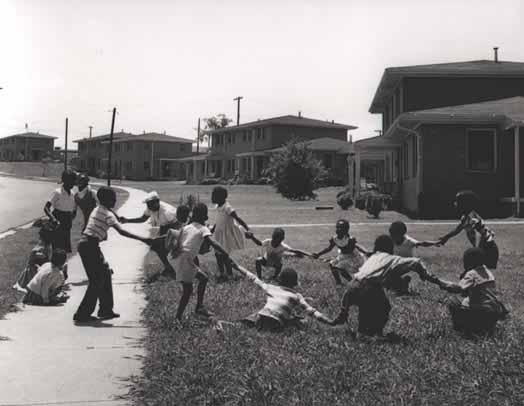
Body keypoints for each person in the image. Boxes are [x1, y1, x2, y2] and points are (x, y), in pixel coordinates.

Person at [332, 235, 440, 337]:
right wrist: (431, 278)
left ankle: (362, 331)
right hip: (367, 288)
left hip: (351, 287)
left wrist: (344, 310)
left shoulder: (373, 257)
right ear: (390, 248)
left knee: (367, 306)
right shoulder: (392, 258)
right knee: (384, 307)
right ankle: (370, 334)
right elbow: (416, 262)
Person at [73, 186, 152, 323]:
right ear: (107, 200)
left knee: (105, 274)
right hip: (89, 246)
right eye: (113, 199)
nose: (115, 201)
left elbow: (111, 213)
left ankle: (106, 310)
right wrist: (144, 239)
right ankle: (82, 314)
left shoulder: (99, 208)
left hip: (89, 245)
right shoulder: (107, 214)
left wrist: (118, 216)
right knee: (96, 281)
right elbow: (121, 231)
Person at [171, 202, 234, 321]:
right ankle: (178, 318)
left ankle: (199, 307)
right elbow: (212, 242)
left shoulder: (187, 227)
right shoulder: (203, 229)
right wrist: (225, 253)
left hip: (178, 257)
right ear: (204, 217)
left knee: (203, 278)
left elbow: (189, 245)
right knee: (187, 290)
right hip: (185, 259)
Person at [233, 264, 333, 331]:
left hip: (261, 318)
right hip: (276, 323)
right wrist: (330, 322)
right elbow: (312, 312)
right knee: (299, 320)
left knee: (253, 317)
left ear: (279, 280)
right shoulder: (297, 296)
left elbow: (253, 278)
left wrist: (237, 266)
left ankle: (238, 324)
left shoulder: (270, 288)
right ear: (294, 283)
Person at [434, 248, 509, 336]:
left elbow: (458, 288)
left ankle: (461, 328)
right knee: (468, 299)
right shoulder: (489, 273)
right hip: (493, 314)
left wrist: (440, 283)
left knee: (453, 301)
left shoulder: (472, 273)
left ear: (470, 261)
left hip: (481, 313)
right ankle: (486, 328)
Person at [120, 191, 178, 276]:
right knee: (156, 246)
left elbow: (177, 226)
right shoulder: (150, 208)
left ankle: (173, 268)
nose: (149, 206)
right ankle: (168, 267)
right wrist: (127, 220)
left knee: (161, 246)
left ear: (157, 202)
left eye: (151, 204)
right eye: (148, 204)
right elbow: (143, 219)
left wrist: (164, 237)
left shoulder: (167, 212)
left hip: (173, 229)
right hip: (164, 228)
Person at [437, 190, 498, 270]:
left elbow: (482, 235)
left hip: (487, 251)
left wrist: (477, 252)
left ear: (465, 204)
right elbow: (457, 229)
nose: (455, 204)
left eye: (458, 202)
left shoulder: (473, 219)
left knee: (477, 273)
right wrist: (445, 238)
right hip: (481, 250)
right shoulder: (465, 218)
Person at [387, 221, 440, 295]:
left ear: (401, 234)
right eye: (391, 234)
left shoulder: (408, 241)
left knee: (427, 276)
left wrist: (434, 243)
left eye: (394, 235)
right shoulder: (389, 240)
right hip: (396, 265)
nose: (392, 236)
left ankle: (441, 283)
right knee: (388, 281)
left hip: (409, 264)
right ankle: (403, 283)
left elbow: (421, 243)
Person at [211, 186, 251, 281]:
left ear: (221, 197)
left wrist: (247, 229)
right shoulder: (218, 206)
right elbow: (218, 220)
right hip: (218, 234)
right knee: (217, 255)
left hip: (225, 235)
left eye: (214, 196)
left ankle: (230, 274)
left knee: (224, 256)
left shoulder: (227, 208)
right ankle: (222, 273)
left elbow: (238, 218)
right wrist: (213, 229)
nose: (212, 198)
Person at [312, 219, 369, 285]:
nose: (338, 230)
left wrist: (366, 252)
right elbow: (329, 248)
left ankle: (352, 282)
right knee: (332, 264)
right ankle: (338, 282)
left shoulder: (350, 239)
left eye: (341, 228)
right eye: (337, 227)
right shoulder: (334, 239)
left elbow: (357, 247)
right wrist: (318, 254)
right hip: (343, 255)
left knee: (341, 268)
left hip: (353, 257)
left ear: (346, 230)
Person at [147, 205, 191, 282]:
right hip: (179, 244)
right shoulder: (179, 222)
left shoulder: (188, 224)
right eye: (177, 214)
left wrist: (160, 238)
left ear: (184, 214)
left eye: (179, 214)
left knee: (159, 244)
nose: (177, 216)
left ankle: (171, 268)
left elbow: (177, 234)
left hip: (185, 247)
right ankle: (168, 267)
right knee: (158, 245)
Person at [246, 228, 311, 279]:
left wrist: (309, 254)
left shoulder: (283, 246)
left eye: (279, 241)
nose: (276, 243)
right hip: (266, 261)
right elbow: (259, 243)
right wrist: (252, 237)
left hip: (275, 263)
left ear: (282, 239)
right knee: (258, 260)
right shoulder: (268, 241)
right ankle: (259, 277)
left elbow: (295, 250)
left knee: (280, 265)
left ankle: (275, 277)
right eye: (275, 240)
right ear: (272, 237)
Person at [15, 218, 57, 290]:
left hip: (42, 266)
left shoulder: (47, 247)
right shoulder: (40, 248)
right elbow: (33, 258)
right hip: (35, 269)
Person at [44, 169, 77, 253]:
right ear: (65, 181)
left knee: (65, 250)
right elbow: (46, 208)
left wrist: (72, 216)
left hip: (67, 222)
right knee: (57, 248)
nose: (73, 183)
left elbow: (73, 208)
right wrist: (53, 219)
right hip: (58, 221)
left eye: (74, 181)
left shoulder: (72, 193)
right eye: (71, 181)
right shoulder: (57, 192)